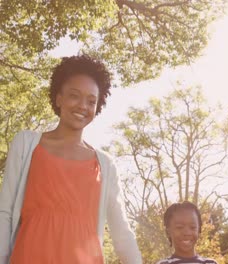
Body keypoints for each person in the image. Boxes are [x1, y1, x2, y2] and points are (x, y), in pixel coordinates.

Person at [0, 55, 142, 264]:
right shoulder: (26, 144)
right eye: (74, 96)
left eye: (91, 101)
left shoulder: (105, 164)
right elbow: (4, 212)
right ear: (58, 98)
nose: (83, 106)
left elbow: (121, 232)